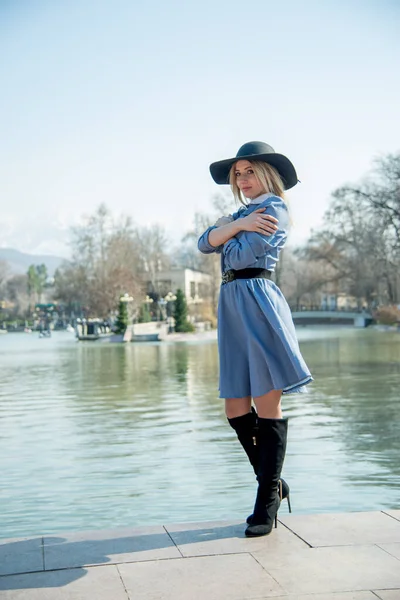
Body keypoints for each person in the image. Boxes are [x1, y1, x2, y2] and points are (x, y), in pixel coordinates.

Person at [198, 141, 313, 537]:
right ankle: (274, 485)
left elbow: (240, 257)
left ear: (265, 174)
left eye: (249, 172)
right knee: (235, 409)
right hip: (231, 308)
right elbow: (202, 244)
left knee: (266, 405)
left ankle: (265, 504)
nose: (242, 179)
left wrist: (225, 231)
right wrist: (236, 226)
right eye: (237, 173)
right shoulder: (244, 214)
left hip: (258, 303)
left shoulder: (275, 209)